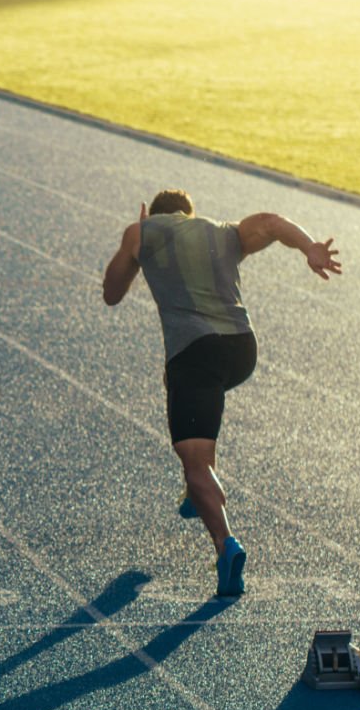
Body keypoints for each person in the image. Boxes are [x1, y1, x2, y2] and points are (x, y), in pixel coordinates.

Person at [101, 190, 342, 596]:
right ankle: (196, 492)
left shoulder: (143, 231)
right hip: (241, 350)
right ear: (189, 215)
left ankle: (225, 543)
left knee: (195, 462)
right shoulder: (223, 232)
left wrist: (137, 243)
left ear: (154, 215)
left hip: (195, 354)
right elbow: (271, 221)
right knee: (181, 389)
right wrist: (310, 247)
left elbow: (111, 293)